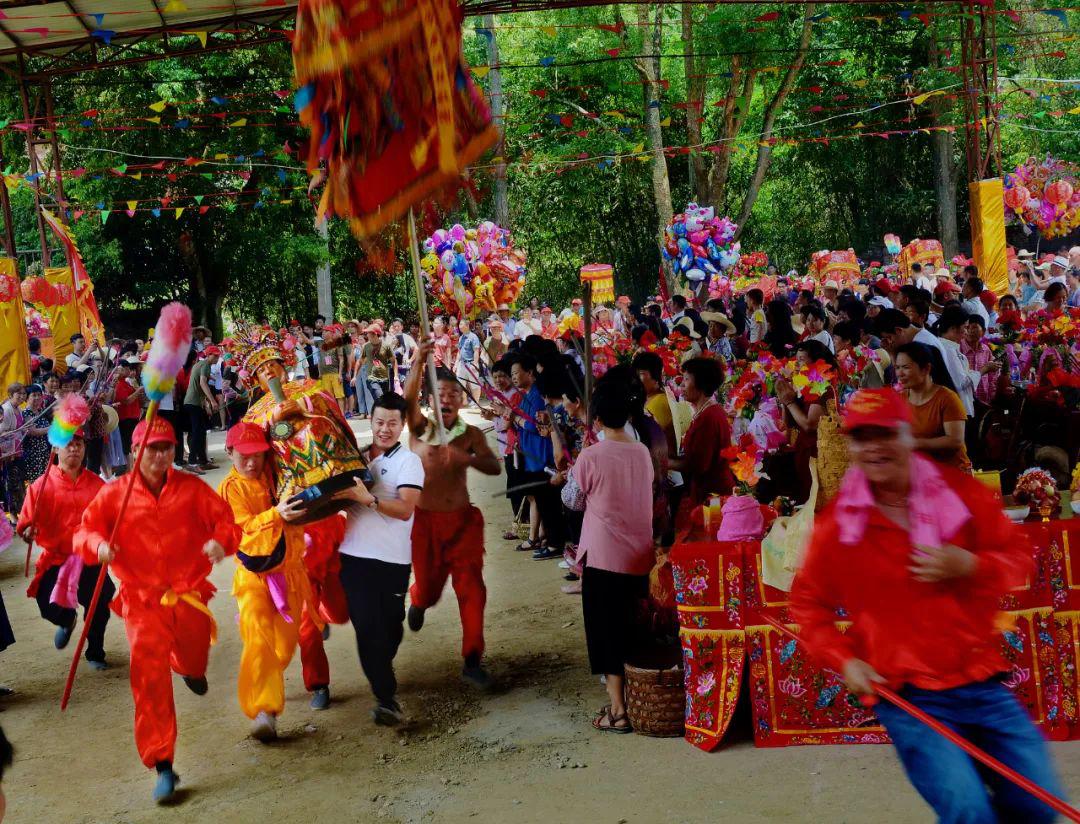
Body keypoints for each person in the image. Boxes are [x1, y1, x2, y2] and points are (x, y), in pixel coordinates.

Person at [791, 387, 1064, 824]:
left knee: (1038, 802)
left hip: (980, 678)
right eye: (863, 437)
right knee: (968, 811)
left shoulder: (959, 493)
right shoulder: (840, 522)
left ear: (908, 435)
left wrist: (970, 564)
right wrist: (844, 661)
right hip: (909, 695)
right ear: (851, 445)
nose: (875, 447)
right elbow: (808, 604)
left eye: (886, 433)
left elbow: (1018, 557)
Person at [74, 416, 239, 804]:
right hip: (142, 601)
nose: (161, 455)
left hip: (189, 595)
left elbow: (226, 522)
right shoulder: (114, 494)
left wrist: (221, 542)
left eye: (166, 447)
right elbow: (85, 530)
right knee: (148, 678)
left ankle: (189, 668)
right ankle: (162, 762)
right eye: (152, 448)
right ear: (134, 452)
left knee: (194, 654)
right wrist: (97, 546)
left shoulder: (192, 488)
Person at [404, 341, 502, 688]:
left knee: (472, 588)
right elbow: (407, 400)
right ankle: (419, 600)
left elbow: (494, 466)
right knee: (429, 589)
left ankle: (472, 658)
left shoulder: (470, 435)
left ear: (461, 401)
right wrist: (418, 360)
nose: (447, 399)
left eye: (454, 394)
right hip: (425, 524)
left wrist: (469, 459)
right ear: (432, 400)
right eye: (441, 393)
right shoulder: (419, 427)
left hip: (462, 523)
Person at [562, 381, 654, 734]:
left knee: (606, 633)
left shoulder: (591, 456)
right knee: (631, 628)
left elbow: (572, 500)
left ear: (597, 419)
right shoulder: (642, 452)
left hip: (604, 556)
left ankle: (618, 710)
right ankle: (634, 700)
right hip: (639, 554)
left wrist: (573, 472)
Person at [217, 421, 315, 742]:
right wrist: (278, 514)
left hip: (290, 573)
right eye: (243, 455)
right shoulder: (231, 488)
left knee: (284, 649)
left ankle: (266, 695)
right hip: (252, 577)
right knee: (258, 640)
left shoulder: (279, 474)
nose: (250, 462)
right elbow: (243, 525)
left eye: (257, 455)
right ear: (230, 453)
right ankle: (264, 710)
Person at [332, 393, 423, 725]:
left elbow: (405, 510)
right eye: (379, 422)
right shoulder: (353, 457)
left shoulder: (408, 462)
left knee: (390, 629)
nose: (385, 429)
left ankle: (383, 670)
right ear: (370, 421)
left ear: (402, 426)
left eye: (392, 423)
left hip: (393, 561)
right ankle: (386, 698)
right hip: (353, 558)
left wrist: (368, 500)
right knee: (367, 628)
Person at [17, 428, 114, 670]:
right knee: (47, 604)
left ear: (84, 448)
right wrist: (29, 531)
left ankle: (95, 653)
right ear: (55, 449)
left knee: (99, 604)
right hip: (57, 558)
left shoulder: (97, 485)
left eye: (79, 444)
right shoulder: (39, 487)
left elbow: (111, 521)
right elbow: (26, 524)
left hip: (90, 558)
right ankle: (66, 620)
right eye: (68, 444)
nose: (74, 448)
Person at [510, 353, 566, 556]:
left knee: (549, 504)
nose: (514, 377)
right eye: (512, 373)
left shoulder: (537, 395)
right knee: (542, 501)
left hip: (542, 458)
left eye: (517, 372)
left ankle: (554, 543)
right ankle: (547, 540)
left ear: (530, 373)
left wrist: (514, 418)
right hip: (532, 457)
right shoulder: (528, 395)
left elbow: (533, 426)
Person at [668, 357, 734, 518]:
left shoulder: (708, 418)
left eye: (686, 379)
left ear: (701, 384)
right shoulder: (708, 411)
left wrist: (663, 462)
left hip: (713, 496)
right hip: (710, 490)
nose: (682, 385)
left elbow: (698, 465)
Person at [895, 343, 971, 472]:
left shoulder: (947, 398)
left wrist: (916, 443)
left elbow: (955, 441)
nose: (899, 373)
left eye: (905, 367)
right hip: (920, 474)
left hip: (952, 474)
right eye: (897, 367)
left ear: (926, 369)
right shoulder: (899, 399)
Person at [182, 346, 219, 471]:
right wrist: (213, 401)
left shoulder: (200, 364)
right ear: (208, 355)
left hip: (194, 403)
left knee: (200, 432)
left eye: (218, 355)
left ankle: (202, 461)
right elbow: (203, 383)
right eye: (214, 355)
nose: (217, 357)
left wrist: (206, 404)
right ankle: (192, 463)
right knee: (197, 433)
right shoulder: (205, 365)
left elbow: (199, 386)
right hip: (193, 403)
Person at [455, 319, 482, 404]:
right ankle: (464, 401)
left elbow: (476, 351)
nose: (459, 326)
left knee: (474, 384)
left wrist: (474, 364)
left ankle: (476, 402)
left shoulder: (473, 337)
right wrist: (456, 363)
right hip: (461, 364)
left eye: (461, 324)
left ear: (467, 325)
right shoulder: (461, 337)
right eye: (459, 324)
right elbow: (459, 352)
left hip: (470, 363)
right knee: (460, 383)